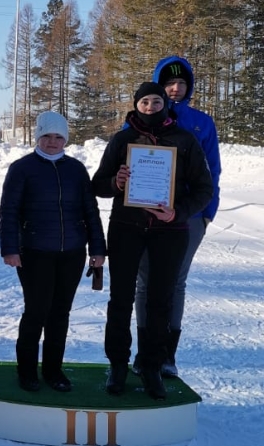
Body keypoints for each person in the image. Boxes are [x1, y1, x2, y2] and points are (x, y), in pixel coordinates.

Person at [92, 82, 213, 400]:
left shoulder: (184, 140)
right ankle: (118, 365)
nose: (150, 107)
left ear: (165, 104)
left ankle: (152, 366)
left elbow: (205, 189)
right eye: (144, 101)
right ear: (136, 105)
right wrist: (116, 183)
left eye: (156, 101)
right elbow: (98, 184)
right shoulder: (122, 140)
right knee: (121, 299)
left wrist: (178, 212)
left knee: (160, 300)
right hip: (126, 228)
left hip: (169, 232)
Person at [0, 111, 107, 392]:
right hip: (35, 252)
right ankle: (26, 371)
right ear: (38, 136)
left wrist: (98, 248)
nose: (52, 141)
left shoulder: (76, 169)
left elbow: (91, 211)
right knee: (36, 311)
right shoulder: (22, 168)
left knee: (60, 313)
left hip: (72, 252)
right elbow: (9, 211)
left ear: (65, 140)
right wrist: (10, 248)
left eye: (59, 136)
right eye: (47, 135)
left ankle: (53, 370)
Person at [132, 56, 222, 378]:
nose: (175, 88)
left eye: (182, 83)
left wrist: (207, 213)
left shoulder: (201, 123)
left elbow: (213, 170)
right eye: (169, 82)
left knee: (175, 282)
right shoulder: (139, 120)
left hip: (189, 215)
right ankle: (145, 353)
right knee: (145, 282)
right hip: (147, 212)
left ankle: (167, 354)